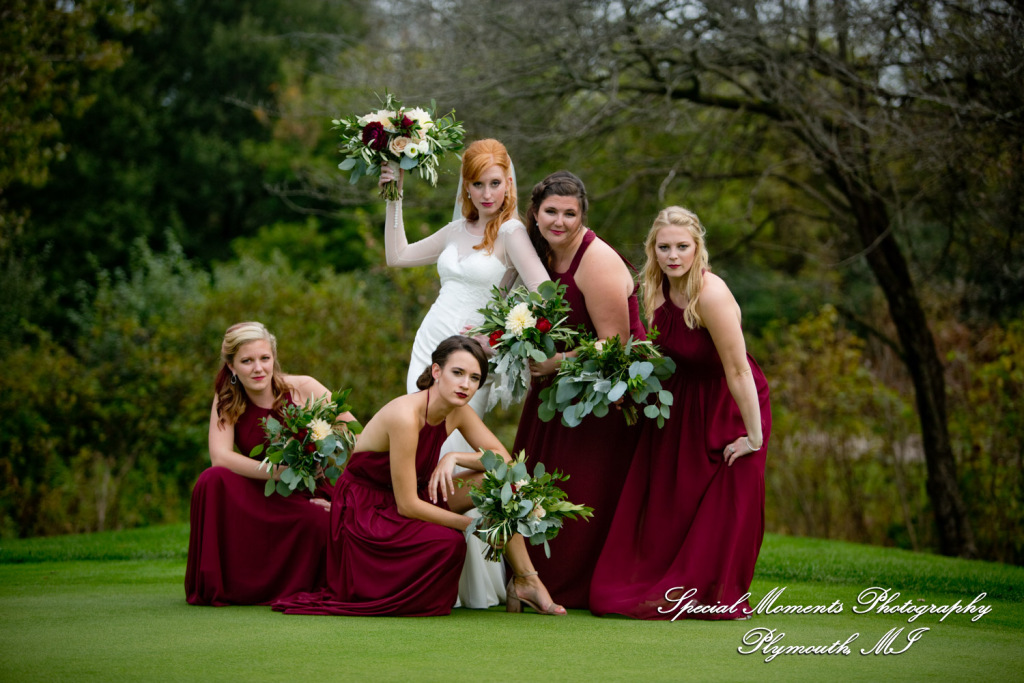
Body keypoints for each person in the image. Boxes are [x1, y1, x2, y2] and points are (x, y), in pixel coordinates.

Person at [272, 336, 565, 617]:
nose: (465, 384)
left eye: (474, 378)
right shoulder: (406, 416)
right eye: (457, 373)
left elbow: (504, 461)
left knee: (504, 484)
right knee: (448, 544)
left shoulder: (458, 411)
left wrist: (455, 457)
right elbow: (408, 506)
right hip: (367, 509)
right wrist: (474, 526)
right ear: (437, 371)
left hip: (411, 494)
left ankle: (526, 580)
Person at [379, 138, 549, 608]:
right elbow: (398, 255)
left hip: (470, 360)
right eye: (478, 185)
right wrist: (395, 196)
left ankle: (476, 577)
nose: (487, 193)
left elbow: (546, 295)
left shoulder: (513, 233)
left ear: (508, 183)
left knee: (456, 448)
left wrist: (501, 334)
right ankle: (433, 565)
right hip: (429, 349)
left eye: (496, 183)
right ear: (467, 187)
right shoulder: (456, 230)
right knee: (425, 441)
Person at [589, 206, 771, 620]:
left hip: (732, 405)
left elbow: (739, 369)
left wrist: (756, 438)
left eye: (682, 247)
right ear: (653, 249)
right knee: (674, 503)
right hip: (679, 405)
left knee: (726, 505)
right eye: (664, 246)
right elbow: (643, 351)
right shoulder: (650, 290)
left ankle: (715, 590)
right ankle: (665, 584)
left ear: (697, 248)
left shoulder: (711, 295)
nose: (673, 255)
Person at [511, 171, 648, 610]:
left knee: (579, 489)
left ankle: (572, 583)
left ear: (582, 215)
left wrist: (555, 363)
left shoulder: (598, 261)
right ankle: (529, 578)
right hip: (555, 392)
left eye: (570, 214)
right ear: (535, 213)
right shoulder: (540, 255)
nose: (560, 221)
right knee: (536, 480)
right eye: (551, 211)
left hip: (601, 398)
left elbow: (617, 345)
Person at [185, 321, 356, 606]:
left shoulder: (303, 387)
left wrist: (343, 489)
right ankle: (224, 585)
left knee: (319, 522)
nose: (258, 368)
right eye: (247, 361)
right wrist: (276, 472)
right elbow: (220, 457)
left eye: (265, 358)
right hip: (260, 490)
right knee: (210, 480)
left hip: (303, 492)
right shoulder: (226, 396)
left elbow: (357, 436)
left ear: (274, 358)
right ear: (231, 366)